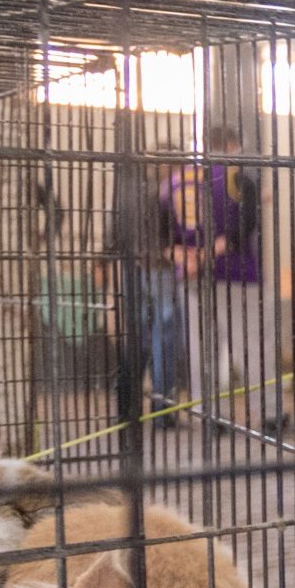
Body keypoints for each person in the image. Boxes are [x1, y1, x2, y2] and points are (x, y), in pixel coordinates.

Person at [164, 125, 277, 434]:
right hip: (238, 274)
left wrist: (186, 256)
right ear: (232, 145)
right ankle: (269, 413)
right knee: (252, 345)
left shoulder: (176, 181)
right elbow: (247, 223)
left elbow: (161, 230)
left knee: (203, 348)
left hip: (192, 278)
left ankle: (210, 415)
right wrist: (212, 250)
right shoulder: (236, 176)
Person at [107, 156, 186, 423]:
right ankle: (163, 412)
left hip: (133, 268)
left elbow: (114, 233)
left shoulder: (128, 193)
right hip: (161, 268)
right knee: (163, 338)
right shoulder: (165, 193)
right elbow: (172, 235)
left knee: (138, 336)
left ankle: (127, 407)